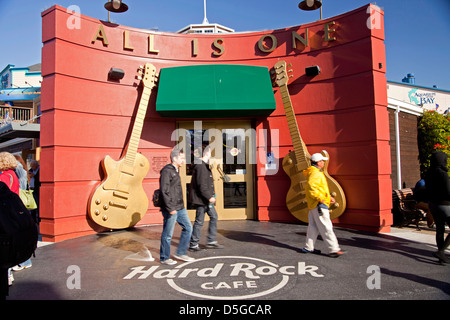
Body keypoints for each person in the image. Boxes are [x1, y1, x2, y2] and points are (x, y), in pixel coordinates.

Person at [301, 153, 345, 258]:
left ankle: (308, 247)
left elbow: (316, 188)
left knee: (313, 226)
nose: (324, 162)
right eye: (322, 161)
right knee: (326, 227)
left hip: (313, 204)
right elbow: (312, 188)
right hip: (319, 204)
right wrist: (322, 199)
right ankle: (333, 249)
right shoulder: (316, 173)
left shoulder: (313, 172)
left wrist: (328, 197)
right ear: (318, 162)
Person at [159, 147, 194, 265]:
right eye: (182, 158)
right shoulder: (167, 171)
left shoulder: (175, 170)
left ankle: (180, 253)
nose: (184, 160)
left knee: (188, 228)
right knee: (168, 234)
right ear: (174, 158)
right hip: (171, 208)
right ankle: (164, 257)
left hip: (180, 207)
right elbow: (164, 190)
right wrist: (170, 208)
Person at [189, 145, 223, 251]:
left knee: (214, 216)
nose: (210, 154)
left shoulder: (203, 165)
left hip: (205, 200)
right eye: (209, 152)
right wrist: (209, 197)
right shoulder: (200, 166)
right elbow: (202, 185)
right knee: (199, 221)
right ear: (206, 153)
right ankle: (194, 244)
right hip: (202, 200)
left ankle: (211, 241)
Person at [425, 151, 450, 264]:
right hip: (444, 205)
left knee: (440, 230)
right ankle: (441, 251)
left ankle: (442, 257)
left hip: (433, 205)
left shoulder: (429, 173)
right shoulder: (443, 174)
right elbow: (447, 191)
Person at [0, 152, 20, 287]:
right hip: (13, 213)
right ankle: (8, 274)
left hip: (5, 213)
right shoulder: (13, 175)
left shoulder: (4, 177)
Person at [13, 155, 33, 271]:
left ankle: (24, 261)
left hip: (18, 203)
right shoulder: (19, 170)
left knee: (19, 232)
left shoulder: (18, 169)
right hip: (18, 203)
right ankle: (24, 260)